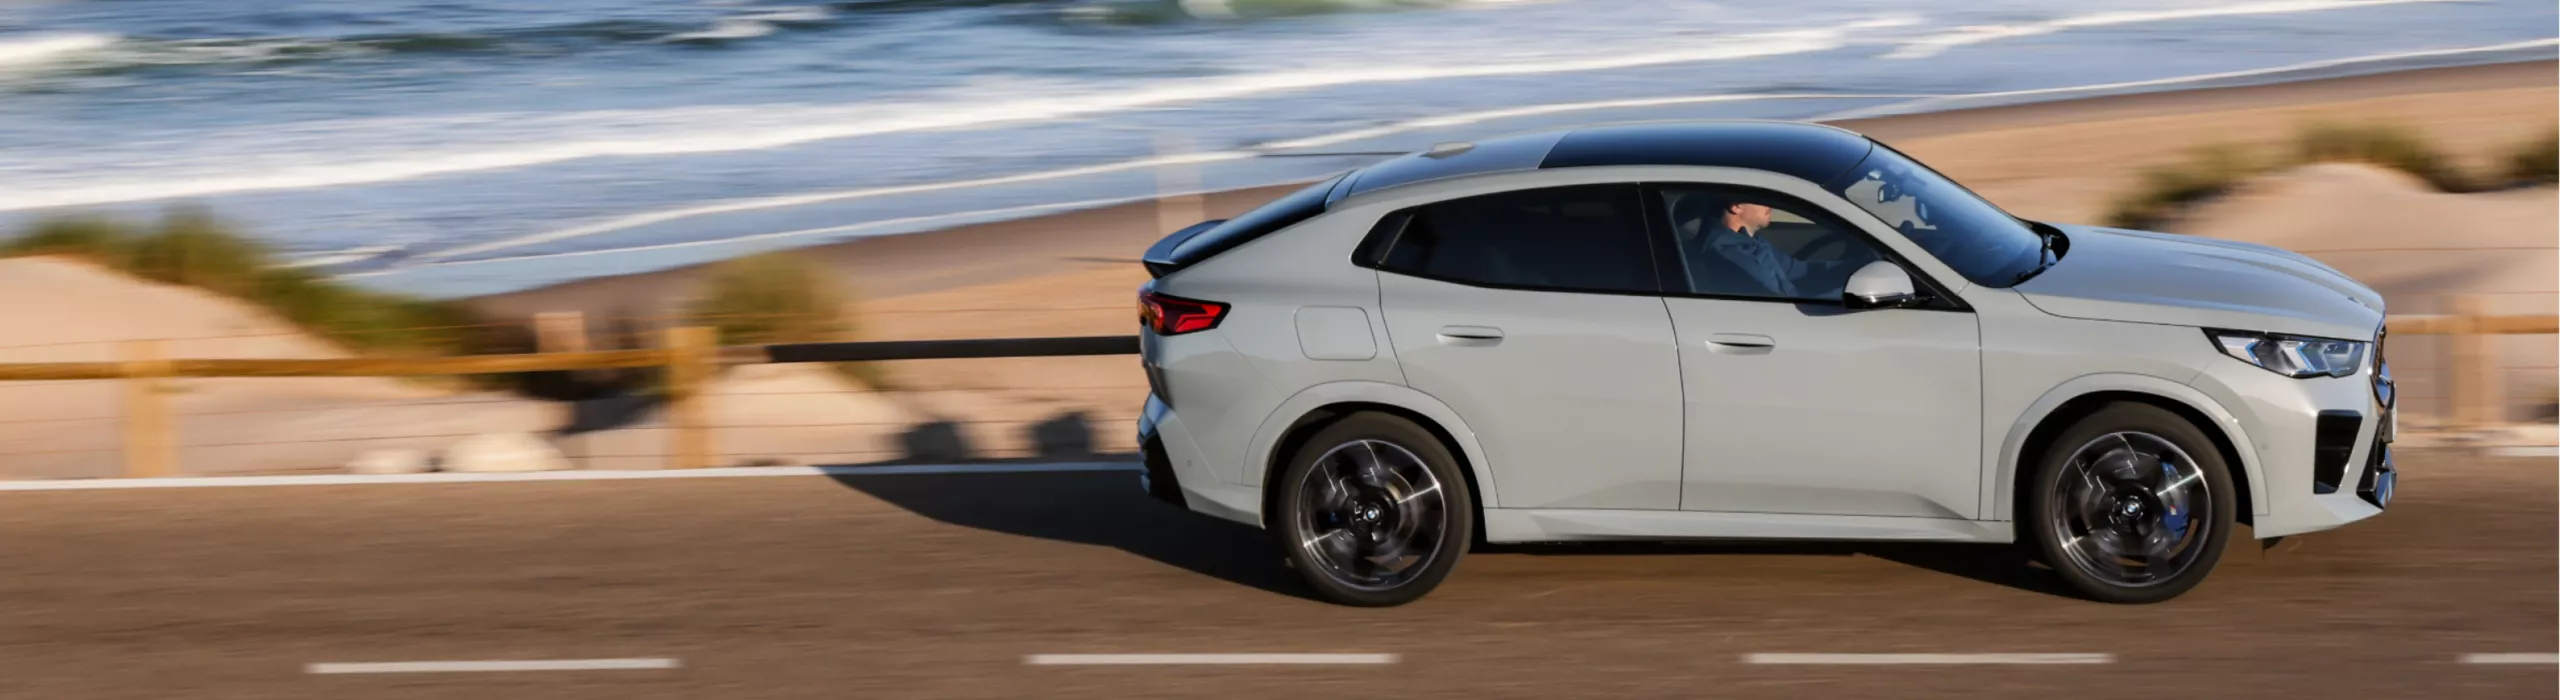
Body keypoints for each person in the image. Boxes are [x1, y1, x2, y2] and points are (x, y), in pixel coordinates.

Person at [1674, 195, 1836, 298]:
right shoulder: (1731, 254)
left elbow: (1795, 269)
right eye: (1761, 198)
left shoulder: (1750, 240)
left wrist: (1848, 268)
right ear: (1736, 206)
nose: (1770, 204)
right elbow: (1785, 304)